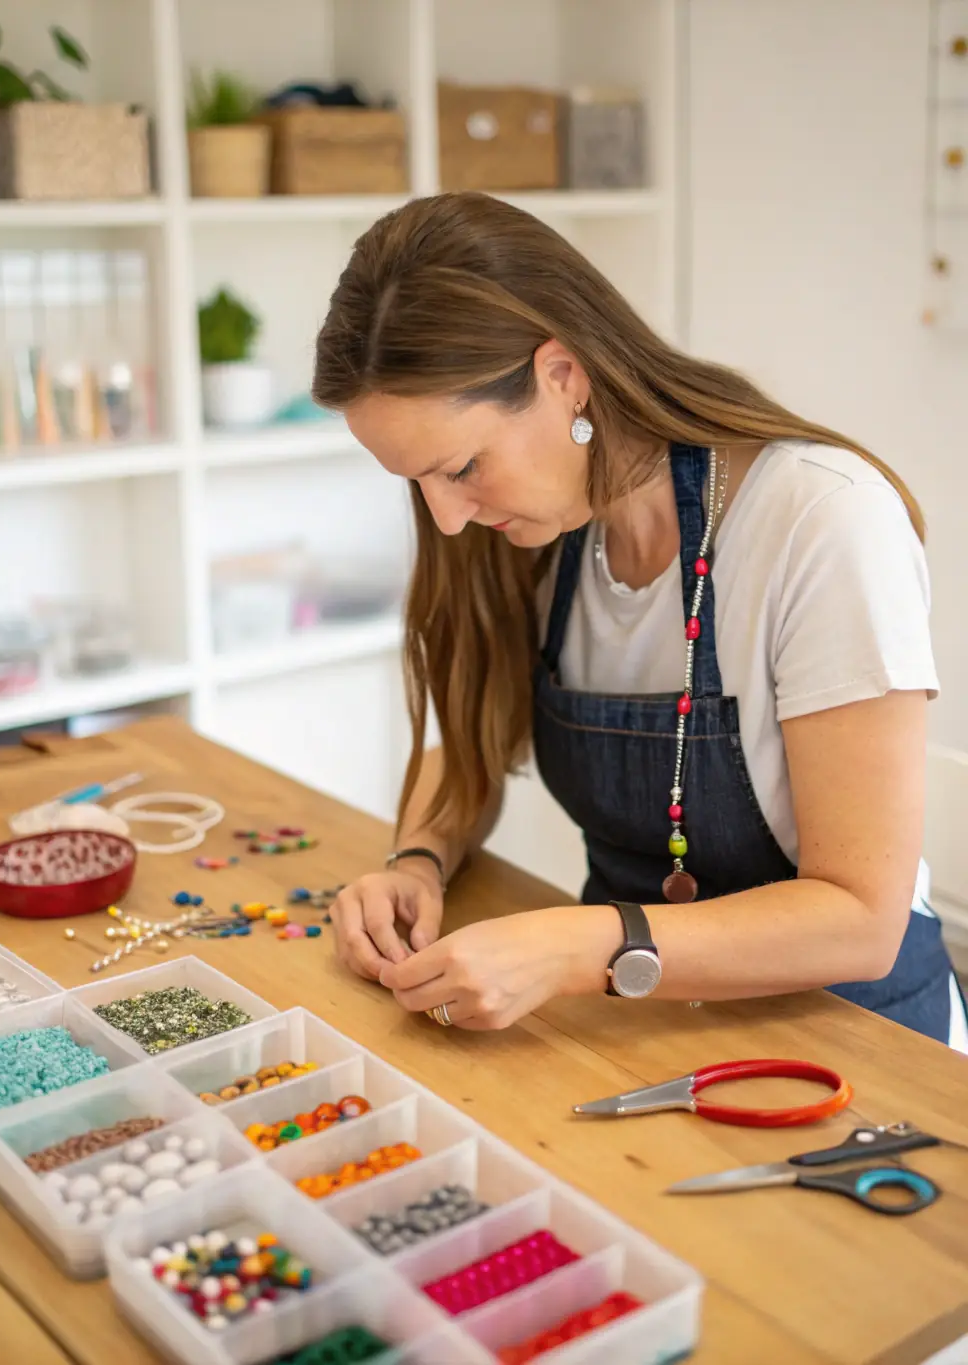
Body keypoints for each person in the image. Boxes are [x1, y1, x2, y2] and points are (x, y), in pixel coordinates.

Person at [312, 191, 968, 1052]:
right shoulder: (538, 531)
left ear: (563, 376)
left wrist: (579, 942)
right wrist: (418, 860)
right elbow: (474, 741)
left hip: (859, 1044)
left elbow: (860, 918)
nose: (445, 518)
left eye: (463, 466)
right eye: (419, 482)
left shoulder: (824, 522)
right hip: (636, 1029)